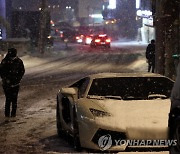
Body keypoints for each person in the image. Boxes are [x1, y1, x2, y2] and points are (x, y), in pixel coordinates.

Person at [0, 48, 25, 121]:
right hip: (8, 84)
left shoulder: (17, 61)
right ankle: (8, 115)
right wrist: (6, 79)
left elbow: (22, 71)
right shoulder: (6, 61)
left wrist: (18, 79)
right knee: (9, 99)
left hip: (15, 83)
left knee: (13, 99)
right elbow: (1, 71)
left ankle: (12, 115)